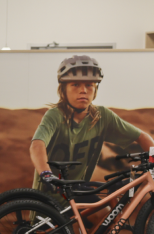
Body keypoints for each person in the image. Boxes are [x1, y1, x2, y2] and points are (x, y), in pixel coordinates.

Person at [30, 54, 154, 191]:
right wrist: (46, 174)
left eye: (89, 85)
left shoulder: (102, 116)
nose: (83, 90)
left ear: (95, 90)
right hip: (50, 194)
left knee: (108, 211)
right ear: (63, 90)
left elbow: (142, 137)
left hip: (78, 191)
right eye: (75, 84)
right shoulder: (55, 115)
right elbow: (37, 145)